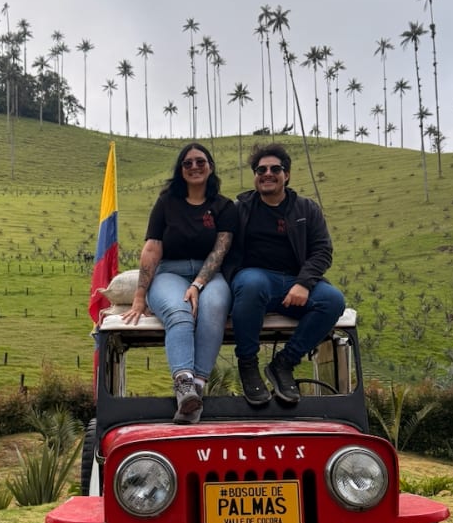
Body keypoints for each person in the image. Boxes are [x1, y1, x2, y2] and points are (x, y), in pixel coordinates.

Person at [122, 143, 236, 423]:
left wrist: (197, 284)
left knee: (215, 307)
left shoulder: (224, 206)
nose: (195, 167)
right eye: (188, 163)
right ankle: (184, 385)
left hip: (209, 275)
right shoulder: (166, 203)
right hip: (169, 272)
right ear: (180, 170)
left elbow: (219, 252)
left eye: (200, 161)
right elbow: (152, 248)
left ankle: (195, 391)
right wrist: (139, 296)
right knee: (179, 311)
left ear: (210, 166)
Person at [228, 142, 345, 405]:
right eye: (261, 169)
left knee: (333, 301)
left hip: (296, 282)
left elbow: (323, 251)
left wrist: (304, 283)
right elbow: (220, 247)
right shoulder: (240, 209)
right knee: (251, 283)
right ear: (255, 176)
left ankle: (284, 363)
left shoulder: (306, 209)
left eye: (275, 169)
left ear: (287, 174)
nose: (267, 173)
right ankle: (248, 364)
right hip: (253, 283)